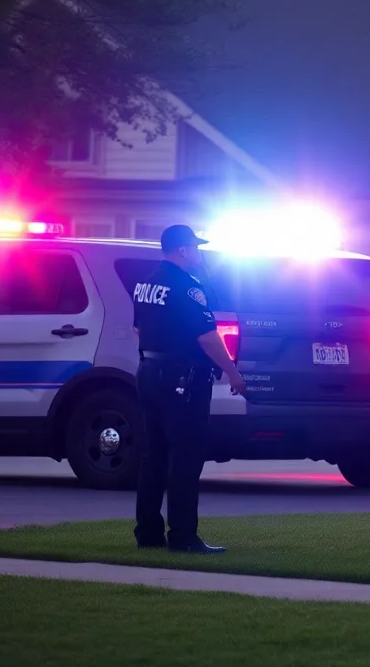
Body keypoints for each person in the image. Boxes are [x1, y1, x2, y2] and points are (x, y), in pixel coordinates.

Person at [132, 224, 246, 555]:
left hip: (149, 371)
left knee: (153, 455)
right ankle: (183, 536)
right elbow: (207, 337)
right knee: (185, 456)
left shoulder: (146, 283)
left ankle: (148, 533)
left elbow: (137, 328)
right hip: (182, 380)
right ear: (183, 249)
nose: (198, 253)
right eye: (195, 247)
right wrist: (232, 372)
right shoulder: (187, 287)